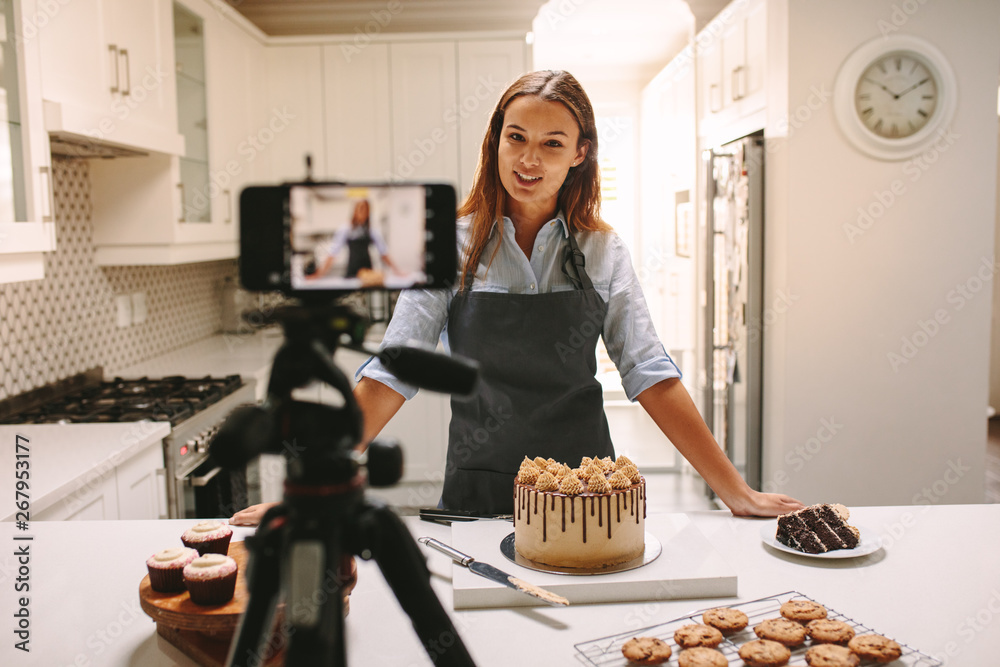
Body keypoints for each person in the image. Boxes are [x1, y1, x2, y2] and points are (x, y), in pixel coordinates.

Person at [231, 70, 801, 526]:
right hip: (480, 483)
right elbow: (392, 370)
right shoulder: (448, 248)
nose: (529, 161)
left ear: (580, 153)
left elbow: (649, 372)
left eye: (552, 144)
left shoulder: (601, 251)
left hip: (586, 490)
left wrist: (735, 491)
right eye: (516, 139)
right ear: (496, 141)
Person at [307, 199, 397, 281]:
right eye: (360, 209)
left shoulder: (372, 230)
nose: (363, 212)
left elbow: (383, 252)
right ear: (355, 211)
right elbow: (333, 253)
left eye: (365, 210)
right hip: (352, 270)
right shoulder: (346, 229)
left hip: (367, 273)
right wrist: (318, 275)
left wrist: (397, 271)